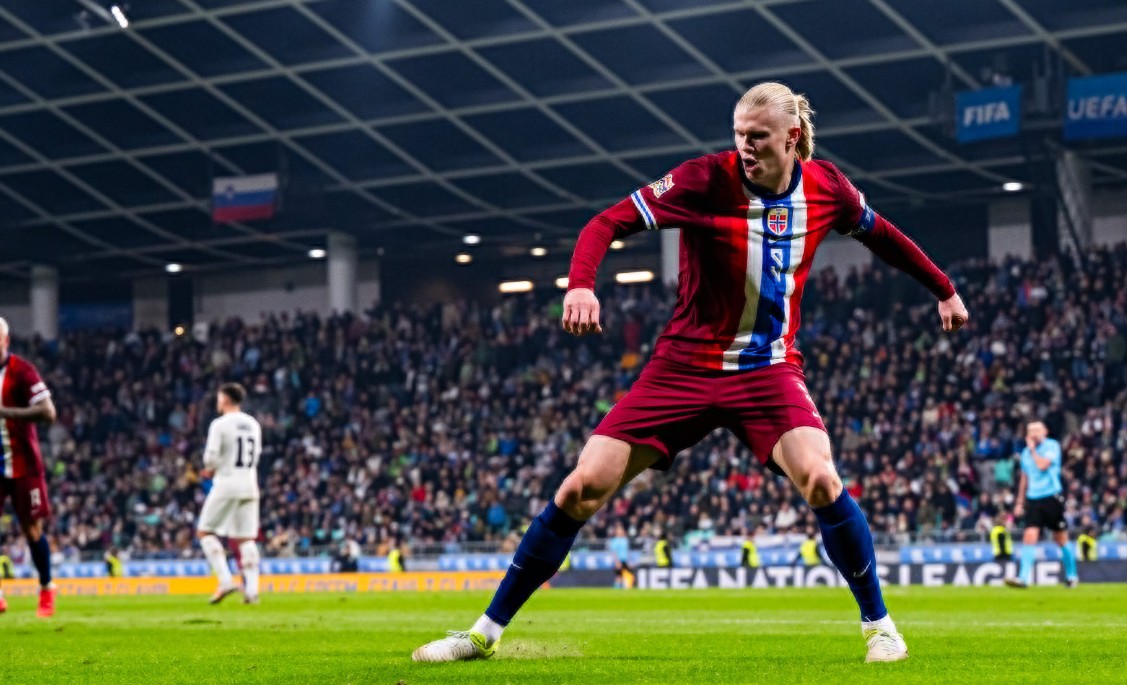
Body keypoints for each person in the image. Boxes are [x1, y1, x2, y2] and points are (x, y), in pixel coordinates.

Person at [413, 81, 968, 665]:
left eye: (758, 137)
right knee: (581, 487)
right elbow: (605, 223)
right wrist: (580, 285)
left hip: (766, 370)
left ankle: (881, 628)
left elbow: (885, 237)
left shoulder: (827, 187)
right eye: (739, 135)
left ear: (792, 137)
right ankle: (482, 634)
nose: (745, 147)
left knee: (821, 480)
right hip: (682, 369)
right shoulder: (702, 179)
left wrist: (944, 289)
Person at [0, 317, 58, 617]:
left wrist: (5, 412)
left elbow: (49, 413)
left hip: (24, 465)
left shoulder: (22, 371)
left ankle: (46, 587)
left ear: (5, 341)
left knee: (32, 530)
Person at [196, 382, 263, 605]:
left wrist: (209, 469)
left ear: (224, 399)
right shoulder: (253, 424)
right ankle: (252, 591)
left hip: (227, 483)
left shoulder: (220, 424)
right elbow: (257, 455)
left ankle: (225, 580)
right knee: (246, 539)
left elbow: (210, 457)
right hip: (250, 484)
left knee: (205, 532)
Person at [1005, 420, 1078, 588]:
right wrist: (1019, 502)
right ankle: (1023, 578)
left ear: (1045, 431)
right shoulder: (1025, 453)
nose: (1034, 433)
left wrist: (1032, 450)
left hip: (1051, 497)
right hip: (1033, 498)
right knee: (1029, 536)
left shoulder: (1052, 446)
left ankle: (1072, 575)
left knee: (1060, 537)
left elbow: (1043, 465)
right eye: (1031, 431)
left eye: (1037, 430)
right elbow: (1024, 478)